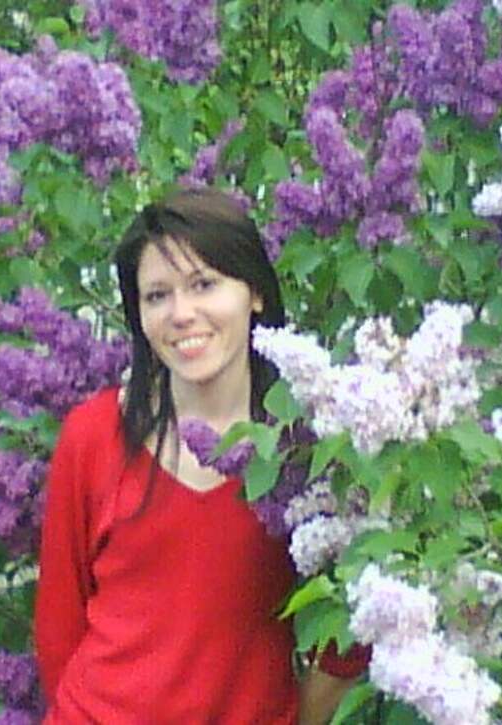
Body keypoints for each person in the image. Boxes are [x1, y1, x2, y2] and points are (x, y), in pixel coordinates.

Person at [35, 187, 366, 724]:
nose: (181, 314)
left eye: (203, 285)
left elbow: (352, 631)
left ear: (253, 292)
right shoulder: (93, 436)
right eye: (157, 296)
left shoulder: (309, 450)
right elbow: (58, 625)